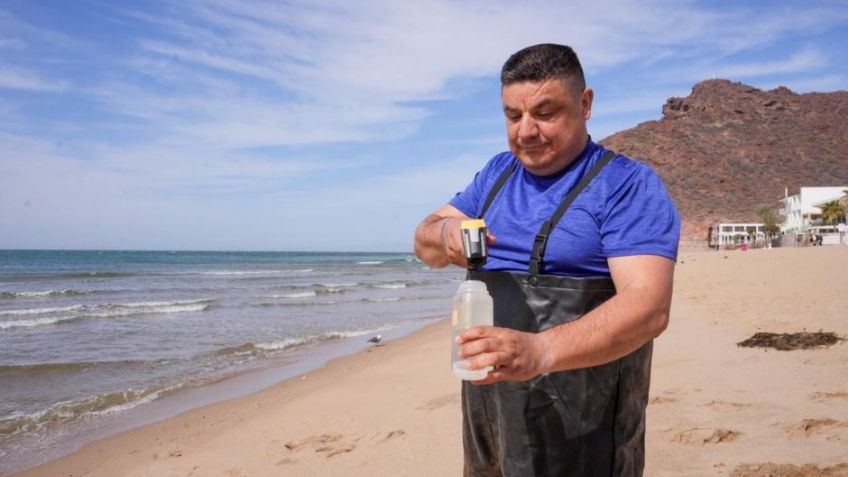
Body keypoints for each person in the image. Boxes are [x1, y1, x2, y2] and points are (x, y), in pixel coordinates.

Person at [414, 44, 680, 477]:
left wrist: (540, 350)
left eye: (545, 112)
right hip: (490, 414)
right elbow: (423, 241)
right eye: (513, 116)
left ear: (585, 104)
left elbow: (649, 307)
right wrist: (445, 234)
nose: (526, 132)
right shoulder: (496, 175)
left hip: (583, 425)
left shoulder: (626, 185)